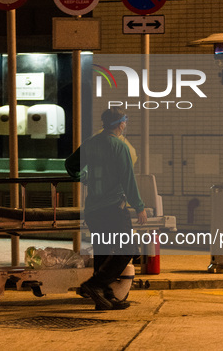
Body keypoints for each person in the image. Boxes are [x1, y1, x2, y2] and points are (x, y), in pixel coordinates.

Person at [65, 108, 147, 310]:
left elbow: (70, 164)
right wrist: (139, 206)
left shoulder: (91, 144)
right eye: (124, 122)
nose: (125, 125)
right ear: (120, 124)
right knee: (127, 249)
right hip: (113, 209)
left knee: (103, 252)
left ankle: (104, 298)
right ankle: (94, 285)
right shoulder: (120, 147)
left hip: (94, 211)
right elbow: (128, 180)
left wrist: (81, 178)